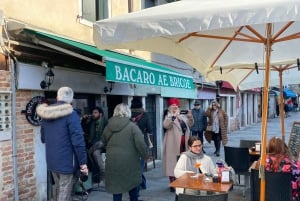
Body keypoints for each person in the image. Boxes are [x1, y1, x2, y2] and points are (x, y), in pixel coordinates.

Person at [37, 87, 88, 201]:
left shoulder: (46, 113)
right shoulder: (72, 114)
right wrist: (83, 163)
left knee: (59, 190)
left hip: (51, 160)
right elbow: (78, 142)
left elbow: (43, 138)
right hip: (67, 161)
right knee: (64, 192)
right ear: (71, 100)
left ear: (57, 97)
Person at [101, 103, 148, 201]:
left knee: (116, 188)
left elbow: (104, 141)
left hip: (113, 161)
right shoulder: (132, 127)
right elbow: (141, 144)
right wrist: (145, 155)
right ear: (128, 112)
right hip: (130, 161)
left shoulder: (108, 126)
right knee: (132, 185)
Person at [163, 98, 194, 192]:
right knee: (172, 164)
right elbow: (165, 125)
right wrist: (173, 116)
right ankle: (173, 183)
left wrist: (190, 117)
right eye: (173, 106)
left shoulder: (182, 117)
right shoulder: (168, 116)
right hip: (172, 144)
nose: (175, 107)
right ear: (169, 107)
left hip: (183, 144)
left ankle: (181, 180)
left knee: (182, 163)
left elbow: (190, 124)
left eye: (176, 106)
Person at [130, 97, 153, 191]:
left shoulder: (128, 115)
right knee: (140, 166)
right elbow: (150, 130)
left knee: (135, 166)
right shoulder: (145, 115)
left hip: (131, 143)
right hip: (143, 143)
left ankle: (142, 184)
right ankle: (137, 188)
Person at [81, 107, 107, 184]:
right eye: (93, 113)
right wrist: (84, 119)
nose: (93, 114)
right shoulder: (91, 122)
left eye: (95, 113)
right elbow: (84, 129)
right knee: (95, 154)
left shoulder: (105, 122)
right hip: (94, 145)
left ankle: (89, 151)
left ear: (100, 114)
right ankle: (102, 175)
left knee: (94, 148)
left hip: (103, 143)